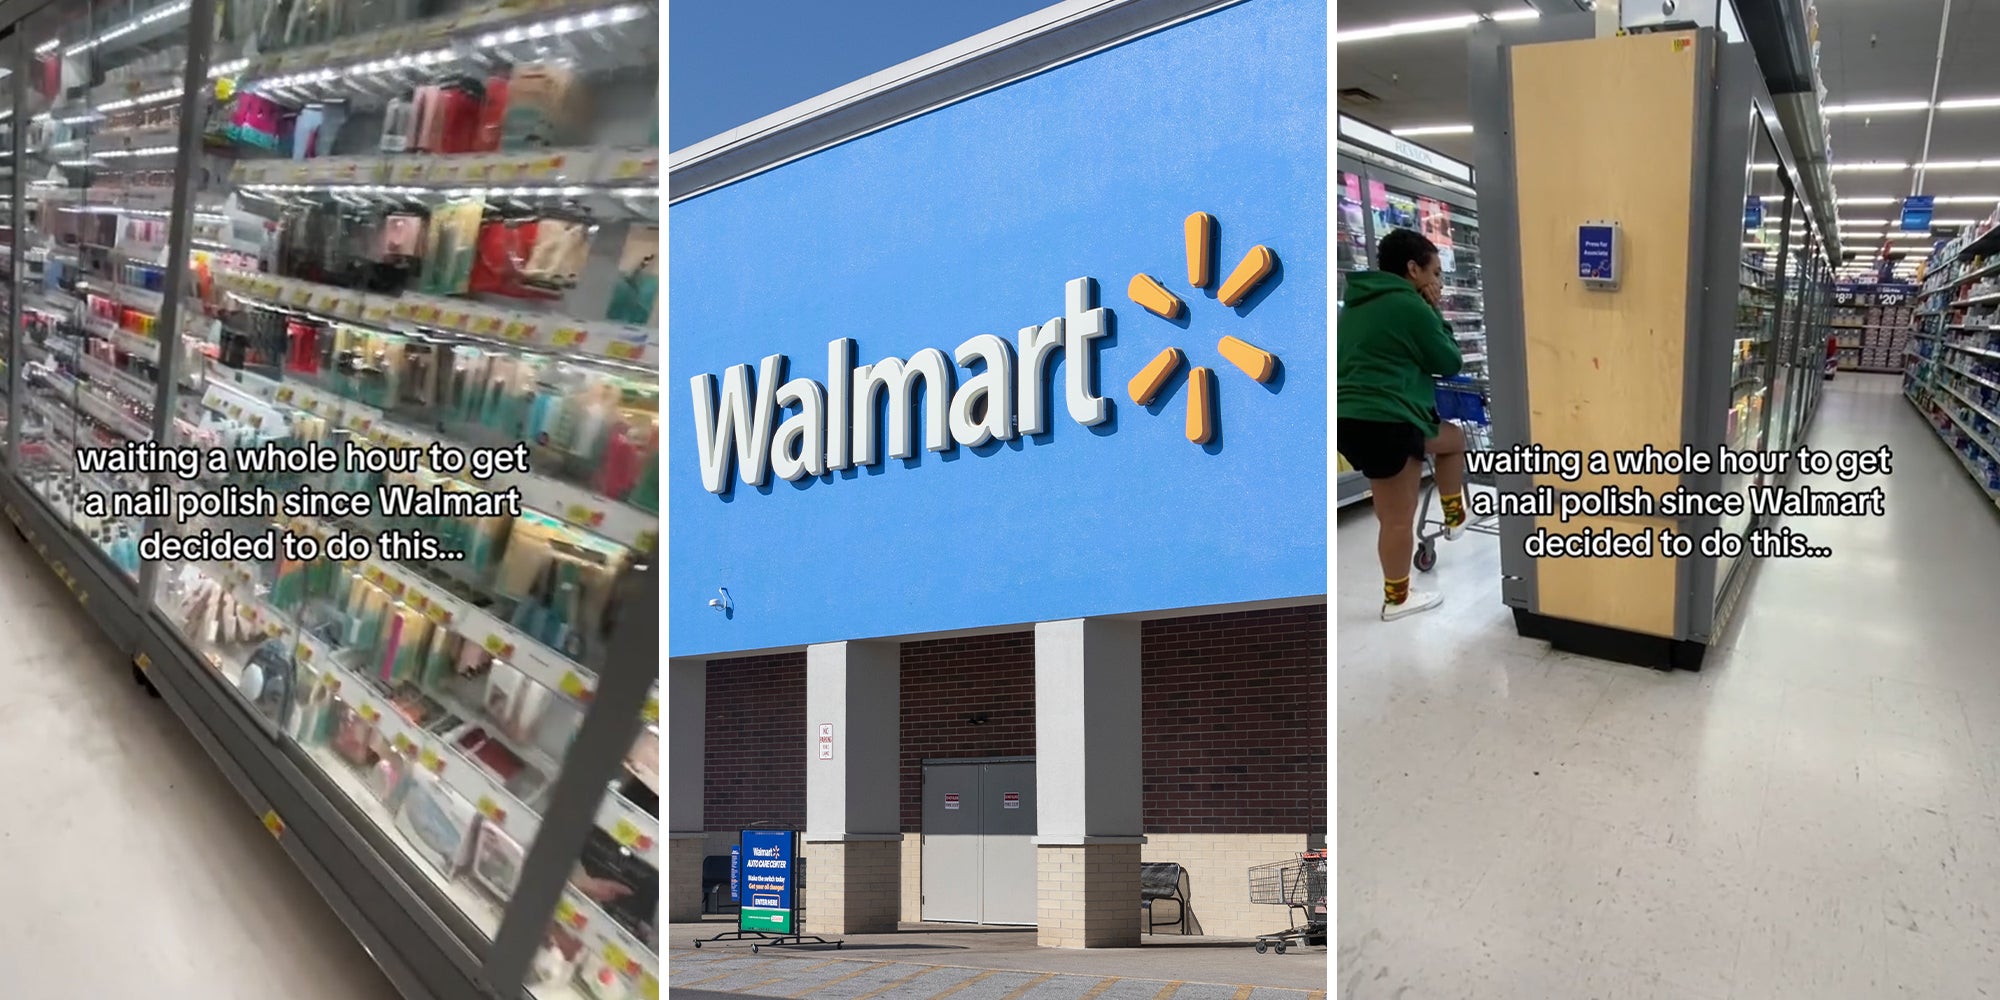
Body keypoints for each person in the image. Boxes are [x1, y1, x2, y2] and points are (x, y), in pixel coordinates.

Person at [1337, 228, 1467, 620]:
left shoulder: (1356, 304)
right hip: (1389, 419)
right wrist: (1435, 310)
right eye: (1435, 273)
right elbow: (1449, 360)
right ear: (1413, 269)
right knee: (1396, 519)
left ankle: (1454, 515)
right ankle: (1397, 600)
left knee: (1452, 438)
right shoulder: (1409, 305)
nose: (1438, 282)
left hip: (1351, 418)